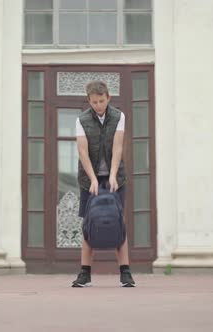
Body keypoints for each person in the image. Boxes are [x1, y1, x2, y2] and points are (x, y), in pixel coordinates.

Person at [72, 80, 136, 288]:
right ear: (88, 101)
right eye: (94, 102)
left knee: (118, 221)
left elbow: (118, 148)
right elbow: (82, 152)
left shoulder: (119, 116)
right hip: (88, 179)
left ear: (108, 97)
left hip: (115, 177)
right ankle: (85, 274)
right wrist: (92, 179)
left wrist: (113, 175)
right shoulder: (81, 120)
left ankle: (125, 273)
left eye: (101, 101)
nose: (98, 105)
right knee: (88, 224)